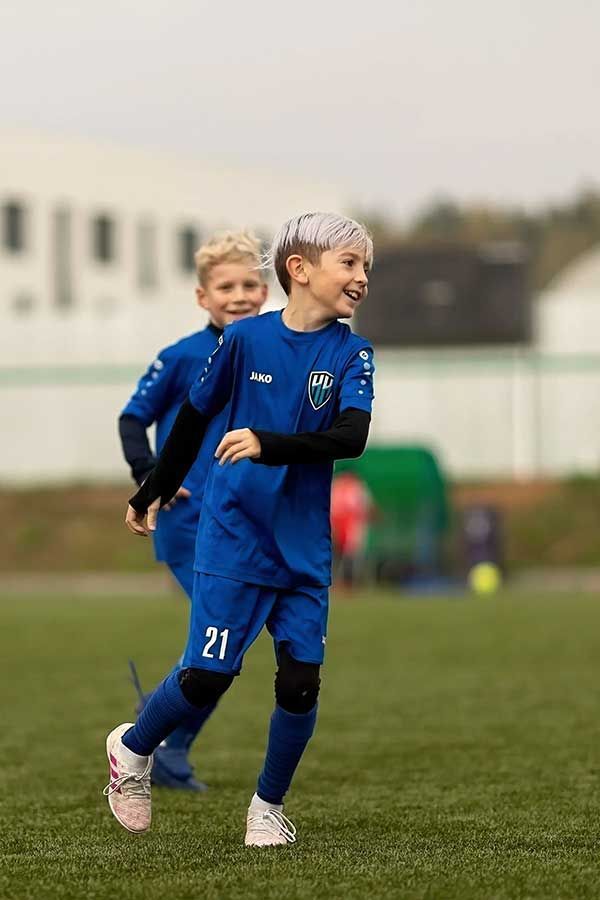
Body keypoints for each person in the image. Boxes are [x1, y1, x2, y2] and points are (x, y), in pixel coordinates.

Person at [104, 212, 375, 847]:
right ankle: (134, 748)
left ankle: (266, 808)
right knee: (209, 675)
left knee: (300, 682)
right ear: (299, 270)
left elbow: (351, 437)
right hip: (233, 535)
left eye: (367, 267)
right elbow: (191, 421)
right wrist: (152, 489)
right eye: (350, 263)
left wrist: (264, 442)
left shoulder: (353, 352)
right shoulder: (245, 340)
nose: (362, 277)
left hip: (303, 546)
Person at [118, 231, 267, 790]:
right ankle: (153, 744)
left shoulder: (275, 350)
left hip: (251, 523)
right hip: (189, 521)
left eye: (250, 284)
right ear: (203, 297)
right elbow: (132, 419)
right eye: (225, 285)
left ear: (267, 291)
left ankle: (164, 742)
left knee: (226, 649)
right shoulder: (181, 356)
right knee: (217, 645)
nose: (239, 295)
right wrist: (150, 477)